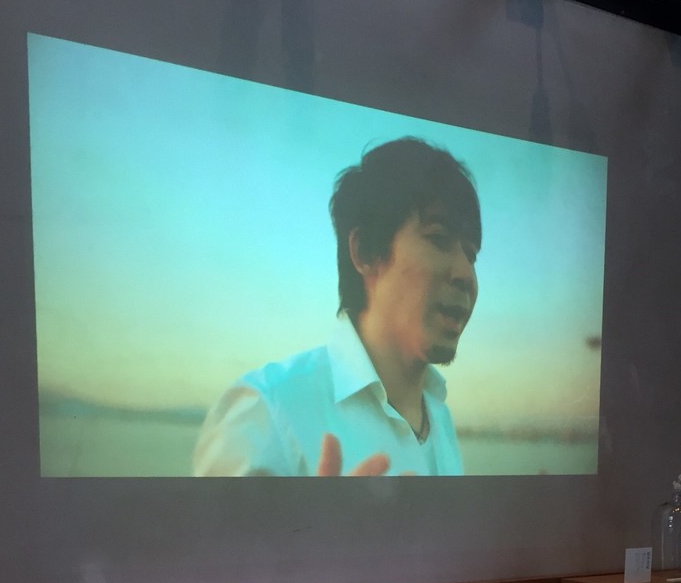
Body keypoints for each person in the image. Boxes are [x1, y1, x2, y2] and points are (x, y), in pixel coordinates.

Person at [193, 136, 481, 476]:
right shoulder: (269, 412)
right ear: (365, 251)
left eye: (472, 255)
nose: (466, 274)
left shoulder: (440, 416)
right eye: (438, 239)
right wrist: (321, 514)